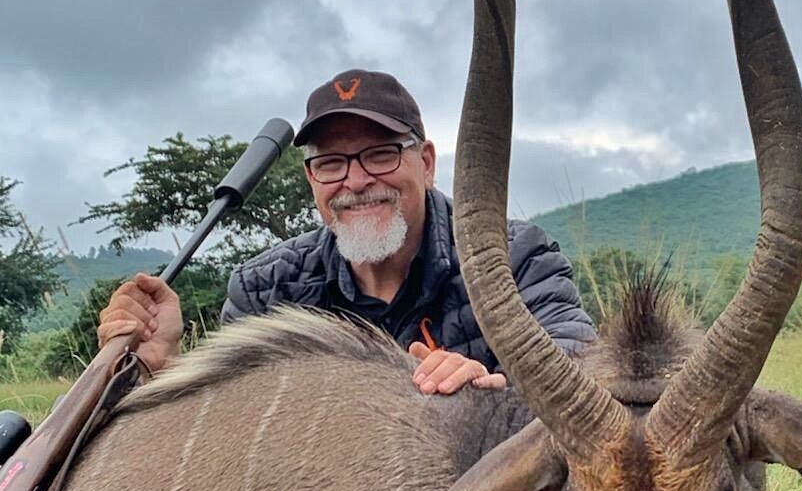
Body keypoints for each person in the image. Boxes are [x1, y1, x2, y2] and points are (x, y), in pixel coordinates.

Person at [97, 69, 596, 395]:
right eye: (332, 164)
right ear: (312, 180)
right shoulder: (264, 290)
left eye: (380, 154)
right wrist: (161, 370)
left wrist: (495, 389)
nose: (356, 182)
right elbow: (230, 427)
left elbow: (583, 372)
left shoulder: (517, 258)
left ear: (425, 162)